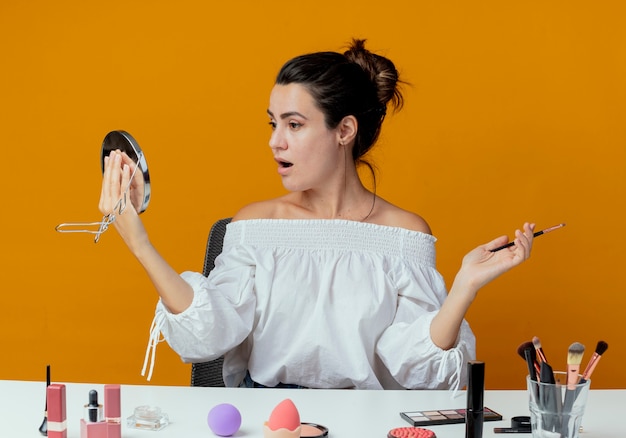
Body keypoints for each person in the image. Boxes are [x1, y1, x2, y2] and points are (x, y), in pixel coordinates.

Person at [99, 39, 535, 390]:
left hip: (366, 423)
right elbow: (210, 335)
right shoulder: (255, 224)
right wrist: (139, 242)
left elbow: (419, 372)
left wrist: (464, 287)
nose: (275, 142)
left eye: (294, 124)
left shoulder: (404, 234)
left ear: (344, 130)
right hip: (269, 421)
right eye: (273, 124)